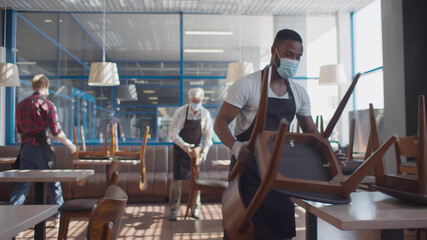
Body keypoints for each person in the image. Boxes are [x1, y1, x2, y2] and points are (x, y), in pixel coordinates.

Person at [214, 29, 318, 240]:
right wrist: (236, 147)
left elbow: (312, 133)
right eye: (289, 54)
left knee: (279, 234)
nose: (294, 60)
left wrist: (328, 153)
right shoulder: (247, 85)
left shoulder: (299, 93)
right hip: (247, 175)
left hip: (280, 177)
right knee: (242, 234)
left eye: (298, 57)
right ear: (274, 51)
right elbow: (220, 123)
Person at [10, 74, 77, 220]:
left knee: (22, 185)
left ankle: (11, 219)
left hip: (26, 150)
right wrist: (71, 145)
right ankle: (58, 218)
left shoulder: (20, 105)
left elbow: (19, 132)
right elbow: (56, 132)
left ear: (34, 86)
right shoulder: (47, 105)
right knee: (54, 183)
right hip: (43, 150)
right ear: (46, 87)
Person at [168, 87, 213, 221]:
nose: (196, 103)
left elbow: (208, 137)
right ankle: (174, 210)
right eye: (193, 100)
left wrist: (204, 152)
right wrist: (184, 146)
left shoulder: (205, 114)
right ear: (189, 99)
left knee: (196, 181)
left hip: (196, 152)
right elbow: (172, 133)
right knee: (177, 181)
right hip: (181, 150)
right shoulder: (180, 112)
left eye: (198, 101)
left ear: (201, 100)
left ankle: (196, 209)